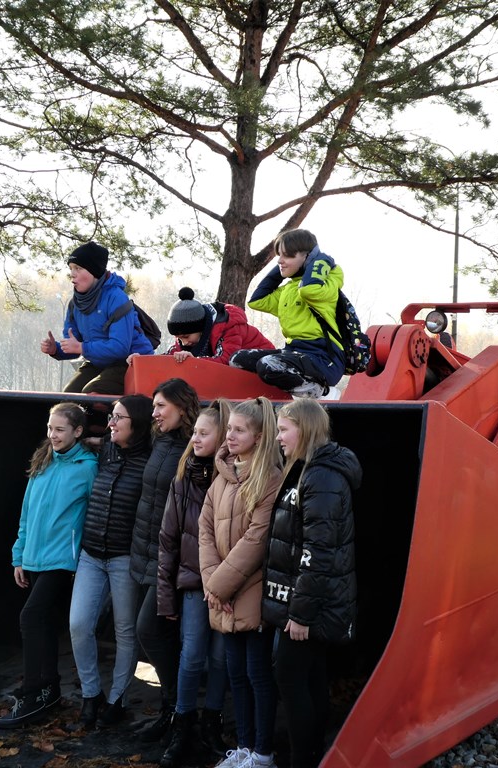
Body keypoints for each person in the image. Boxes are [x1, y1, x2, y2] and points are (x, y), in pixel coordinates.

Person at [262, 398, 360, 768]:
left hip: (312, 604)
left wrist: (300, 614)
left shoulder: (322, 477)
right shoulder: (306, 468)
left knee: (288, 675)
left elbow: (320, 551)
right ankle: (316, 754)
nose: (278, 438)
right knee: (312, 676)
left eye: (284, 429)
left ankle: (304, 759)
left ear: (305, 430)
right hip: (310, 599)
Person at [0, 402, 99, 728]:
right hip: (36, 557)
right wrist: (19, 555)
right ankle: (50, 689)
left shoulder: (87, 468)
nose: (52, 435)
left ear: (78, 432)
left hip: (64, 561)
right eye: (50, 428)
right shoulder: (43, 462)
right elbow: (27, 513)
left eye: (59, 429)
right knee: (43, 623)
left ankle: (33, 692)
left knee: (31, 617)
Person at [199, 397, 283, 768]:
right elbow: (204, 532)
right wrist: (213, 587)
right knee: (236, 673)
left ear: (259, 435)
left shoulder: (269, 479)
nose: (229, 436)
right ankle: (245, 748)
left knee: (257, 673)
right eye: (229, 428)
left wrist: (218, 587)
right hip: (223, 594)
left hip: (253, 591)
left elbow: (257, 539)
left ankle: (263, 752)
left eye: (238, 430)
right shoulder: (222, 476)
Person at [68, 394, 153, 729]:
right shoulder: (106, 450)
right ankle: (92, 694)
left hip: (124, 559)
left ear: (138, 424)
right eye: (112, 417)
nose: (111, 423)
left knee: (125, 631)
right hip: (91, 554)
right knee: (78, 624)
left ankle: (116, 699)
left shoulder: (150, 461)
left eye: (119, 418)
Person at [157, 397, 232, 768]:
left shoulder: (235, 480)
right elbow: (168, 539)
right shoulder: (183, 478)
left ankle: (211, 723)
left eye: (205, 434)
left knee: (220, 659)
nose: (196, 439)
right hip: (191, 583)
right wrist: (166, 597)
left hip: (227, 587)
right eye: (195, 433)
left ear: (223, 439)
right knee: (191, 656)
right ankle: (182, 724)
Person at [129, 378, 201, 741]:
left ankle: (179, 710)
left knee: (149, 631)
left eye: (161, 406)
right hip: (145, 553)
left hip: (170, 559)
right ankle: (171, 709)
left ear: (182, 407)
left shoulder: (194, 448)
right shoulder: (161, 440)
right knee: (156, 635)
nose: (155, 413)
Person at [231, 229, 345, 399]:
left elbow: (309, 291)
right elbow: (257, 301)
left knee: (268, 364)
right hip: (294, 355)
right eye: (279, 255)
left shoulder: (327, 285)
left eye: (288, 255)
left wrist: (319, 260)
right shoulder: (288, 289)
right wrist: (281, 269)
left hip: (324, 359)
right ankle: (281, 395)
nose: (280, 260)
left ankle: (321, 392)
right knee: (237, 359)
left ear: (309, 257)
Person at [41, 241, 155, 395]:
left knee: (93, 393)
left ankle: (109, 418)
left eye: (78, 268)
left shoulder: (116, 298)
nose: (72, 274)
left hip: (129, 362)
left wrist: (82, 348)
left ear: (94, 272)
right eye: (71, 268)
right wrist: (56, 349)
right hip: (98, 362)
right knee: (69, 396)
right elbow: (74, 345)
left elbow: (120, 348)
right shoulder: (75, 304)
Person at [146, 287, 275, 365]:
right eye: (179, 338)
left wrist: (195, 361)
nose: (183, 342)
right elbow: (169, 356)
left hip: (263, 364)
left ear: (200, 327)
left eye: (186, 336)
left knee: (235, 360)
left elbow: (225, 360)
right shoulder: (186, 340)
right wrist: (142, 361)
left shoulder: (229, 327)